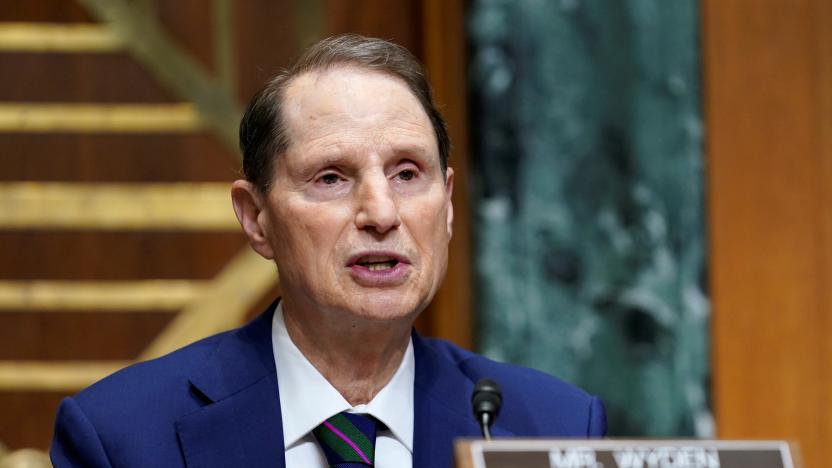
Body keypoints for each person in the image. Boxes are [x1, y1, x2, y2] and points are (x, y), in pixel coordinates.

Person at [50, 34, 606, 468]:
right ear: (256, 218)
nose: (382, 213)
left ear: (450, 203)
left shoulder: (552, 427)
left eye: (408, 173)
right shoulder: (121, 438)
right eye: (332, 178)